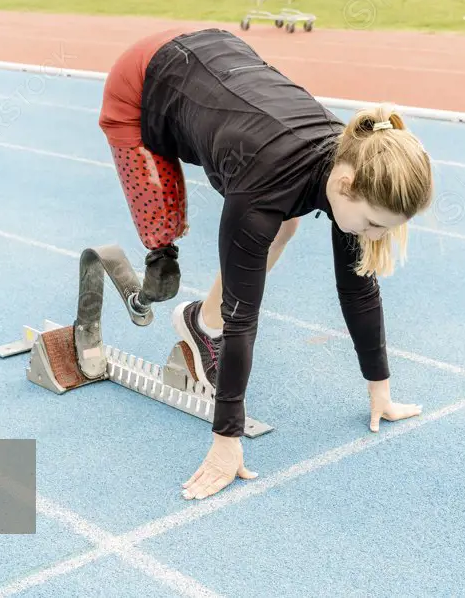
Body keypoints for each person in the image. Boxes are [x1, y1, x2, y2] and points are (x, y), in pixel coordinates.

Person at [98, 28, 435, 501]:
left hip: (217, 63)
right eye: (376, 224)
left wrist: (381, 391)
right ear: (343, 186)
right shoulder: (262, 192)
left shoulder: (358, 157)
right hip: (139, 85)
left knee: (285, 224)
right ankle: (174, 291)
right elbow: (244, 320)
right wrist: (225, 441)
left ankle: (198, 323)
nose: (376, 237)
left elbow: (358, 287)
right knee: (167, 231)